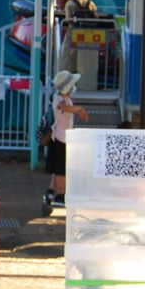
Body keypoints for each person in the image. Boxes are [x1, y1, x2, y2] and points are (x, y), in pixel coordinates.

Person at [45, 69, 89, 206]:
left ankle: (51, 191)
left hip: (64, 137)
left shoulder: (66, 98)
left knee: (59, 168)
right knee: (60, 170)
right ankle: (60, 194)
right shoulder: (58, 99)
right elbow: (64, 108)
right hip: (60, 138)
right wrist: (80, 109)